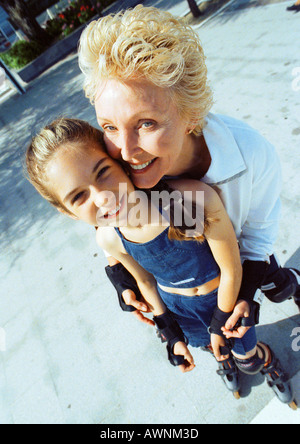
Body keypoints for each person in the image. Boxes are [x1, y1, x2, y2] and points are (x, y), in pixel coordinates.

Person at [25, 117, 297, 406]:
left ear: (119, 159)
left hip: (224, 301)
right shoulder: (109, 239)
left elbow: (231, 267)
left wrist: (219, 324)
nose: (102, 197)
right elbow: (144, 281)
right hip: (181, 310)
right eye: (79, 196)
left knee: (247, 357)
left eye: (103, 172)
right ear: (67, 212)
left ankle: (262, 362)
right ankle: (225, 360)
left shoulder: (186, 200)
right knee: (209, 348)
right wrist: (171, 335)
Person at [78, 5, 300, 337]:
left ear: (192, 114)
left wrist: (244, 292)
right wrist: (123, 282)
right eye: (110, 126)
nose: (125, 151)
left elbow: (256, 239)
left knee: (276, 286)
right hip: (204, 277)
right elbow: (112, 226)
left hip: (243, 253)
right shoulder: (120, 168)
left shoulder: (252, 155)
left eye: (146, 123)